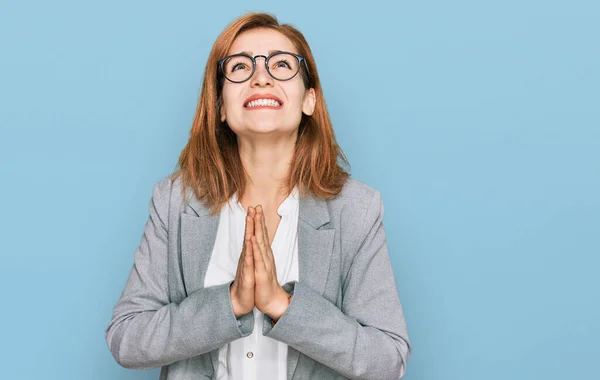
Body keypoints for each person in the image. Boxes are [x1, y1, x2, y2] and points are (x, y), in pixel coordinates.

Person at [105, 12, 411, 380]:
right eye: (239, 67)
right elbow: (126, 337)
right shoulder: (174, 201)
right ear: (220, 104)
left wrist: (283, 306)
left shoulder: (356, 209)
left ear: (309, 100)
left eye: (282, 64)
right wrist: (229, 303)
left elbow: (387, 359)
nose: (260, 76)